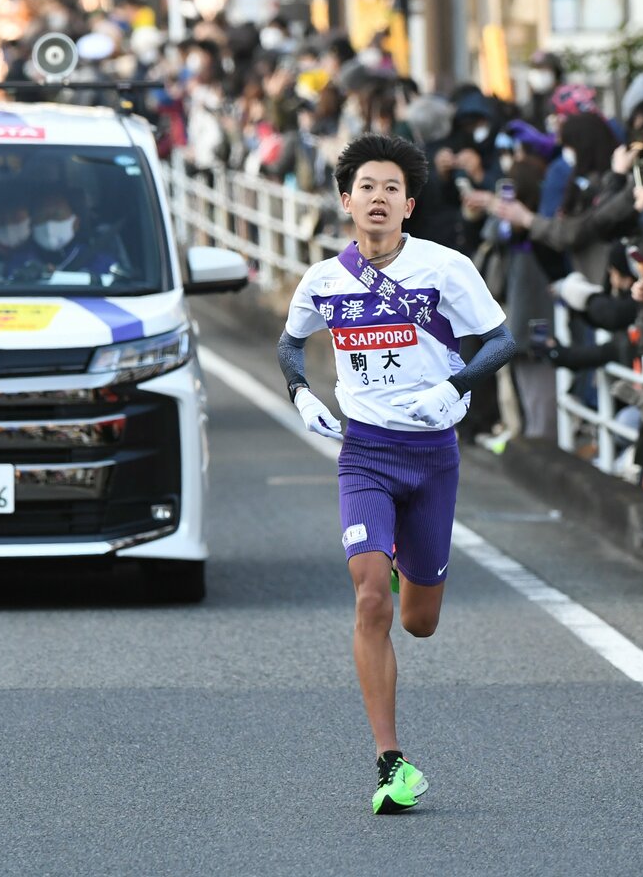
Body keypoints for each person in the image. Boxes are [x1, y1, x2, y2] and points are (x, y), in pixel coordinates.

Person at [276, 133, 515, 815]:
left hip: (432, 455)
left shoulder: (445, 269)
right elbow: (290, 342)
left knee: (418, 620)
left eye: (391, 189)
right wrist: (301, 394)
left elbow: (502, 338)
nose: (377, 199)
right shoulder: (325, 279)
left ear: (409, 204)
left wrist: (457, 386)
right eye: (365, 188)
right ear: (345, 200)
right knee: (370, 599)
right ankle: (390, 762)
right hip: (366, 454)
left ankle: (413, 564)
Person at [31, 192, 120, 276]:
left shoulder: (102, 264)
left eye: (57, 215)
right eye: (41, 216)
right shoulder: (21, 262)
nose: (49, 224)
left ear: (76, 223)